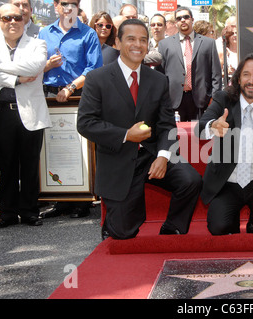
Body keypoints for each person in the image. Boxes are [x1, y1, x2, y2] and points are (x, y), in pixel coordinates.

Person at [77, 19, 202, 240]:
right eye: (131, 39)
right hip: (118, 158)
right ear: (117, 42)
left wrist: (163, 156)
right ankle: (114, 222)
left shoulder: (158, 80)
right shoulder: (97, 79)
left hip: (151, 154)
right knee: (123, 233)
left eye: (143, 40)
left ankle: (172, 228)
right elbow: (85, 123)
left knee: (190, 180)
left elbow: (166, 125)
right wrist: (126, 135)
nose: (138, 45)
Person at [196, 54, 253, 235]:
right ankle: (233, 214)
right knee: (218, 228)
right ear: (238, 79)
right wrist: (214, 126)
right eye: (246, 74)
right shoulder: (223, 99)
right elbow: (200, 128)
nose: (251, 80)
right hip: (227, 182)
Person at [38, 0, 102, 218]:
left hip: (78, 95)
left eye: (73, 3)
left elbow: (93, 68)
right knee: (54, 146)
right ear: (56, 6)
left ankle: (81, 199)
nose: (68, 7)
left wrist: (70, 87)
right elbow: (35, 65)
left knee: (79, 145)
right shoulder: (44, 33)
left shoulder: (88, 34)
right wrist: (47, 66)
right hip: (49, 96)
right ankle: (61, 198)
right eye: (64, 3)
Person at [0, 4, 51, 228]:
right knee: (6, 164)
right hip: (2, 112)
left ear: (24, 19)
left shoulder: (38, 43)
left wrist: (0, 68)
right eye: (7, 17)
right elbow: (25, 73)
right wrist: (16, 79)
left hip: (30, 112)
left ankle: (29, 211)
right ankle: (7, 213)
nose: (12, 22)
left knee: (29, 164)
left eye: (17, 17)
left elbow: (36, 67)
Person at [158, 7, 222, 121]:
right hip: (174, 102)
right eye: (179, 18)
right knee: (175, 136)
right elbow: (160, 75)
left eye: (186, 17)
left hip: (201, 100)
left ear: (192, 19)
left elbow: (216, 75)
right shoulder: (164, 45)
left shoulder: (208, 43)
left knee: (200, 136)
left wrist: (214, 99)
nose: (183, 20)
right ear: (176, 22)